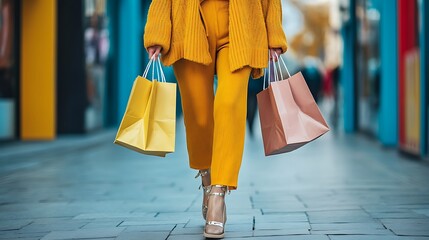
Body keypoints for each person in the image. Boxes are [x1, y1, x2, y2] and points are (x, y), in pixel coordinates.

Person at [143, 0, 287, 238]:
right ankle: (208, 180)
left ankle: (219, 194)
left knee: (229, 104)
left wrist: (274, 35)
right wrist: (157, 32)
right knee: (198, 117)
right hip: (188, 22)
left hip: (242, 25)